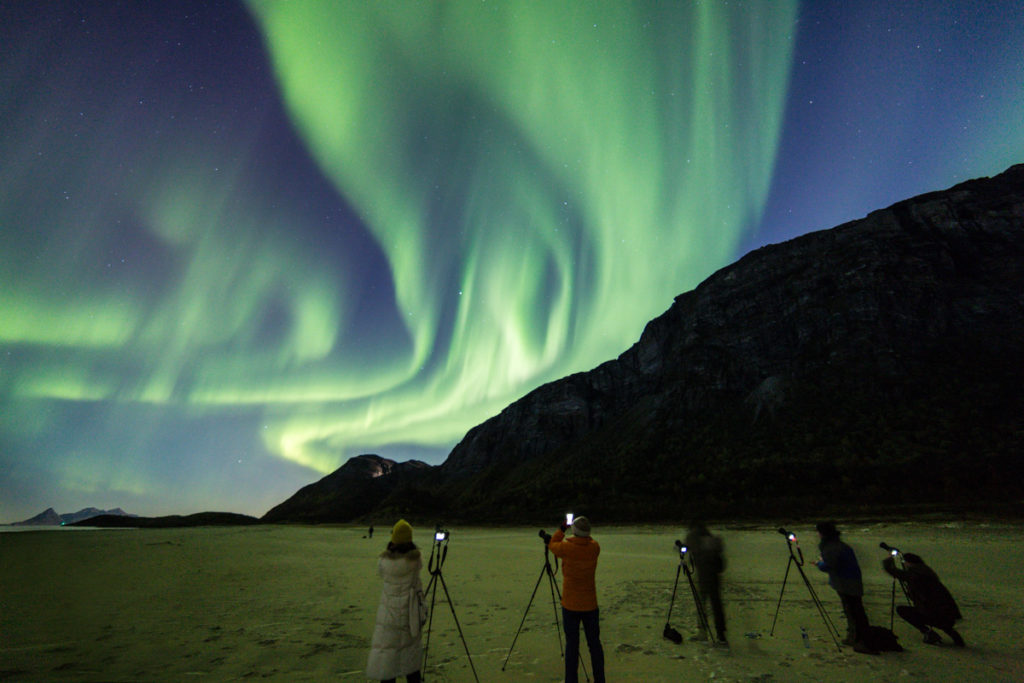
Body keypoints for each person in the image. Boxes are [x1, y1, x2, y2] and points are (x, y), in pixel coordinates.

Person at [548, 516, 606, 683]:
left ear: (574, 531)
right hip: (590, 604)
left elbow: (552, 544)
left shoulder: (567, 547)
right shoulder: (595, 547)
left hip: (570, 605)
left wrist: (561, 530)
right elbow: (589, 541)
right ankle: (600, 679)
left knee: (572, 646)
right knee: (594, 645)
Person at [366, 519, 424, 683]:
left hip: (388, 617)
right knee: (411, 660)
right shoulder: (415, 561)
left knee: (388, 660)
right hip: (409, 615)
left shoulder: (383, 562)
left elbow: (382, 574)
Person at [814, 521, 877, 655]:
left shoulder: (832, 547)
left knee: (854, 612)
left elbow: (830, 565)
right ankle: (856, 638)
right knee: (855, 611)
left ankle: (862, 641)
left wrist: (819, 564)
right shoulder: (839, 545)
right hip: (850, 581)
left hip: (846, 583)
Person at [882, 552, 965, 646]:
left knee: (903, 610)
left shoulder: (916, 574)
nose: (904, 564)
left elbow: (895, 572)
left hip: (934, 611)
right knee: (941, 621)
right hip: (947, 613)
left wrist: (889, 560)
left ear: (910, 563)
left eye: (905, 562)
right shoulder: (925, 571)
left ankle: (928, 632)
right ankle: (954, 636)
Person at [684, 521, 727, 643]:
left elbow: (690, 548)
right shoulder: (709, 536)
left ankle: (703, 632)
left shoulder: (693, 536)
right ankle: (720, 632)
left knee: (702, 603)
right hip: (714, 575)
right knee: (716, 604)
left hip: (704, 574)